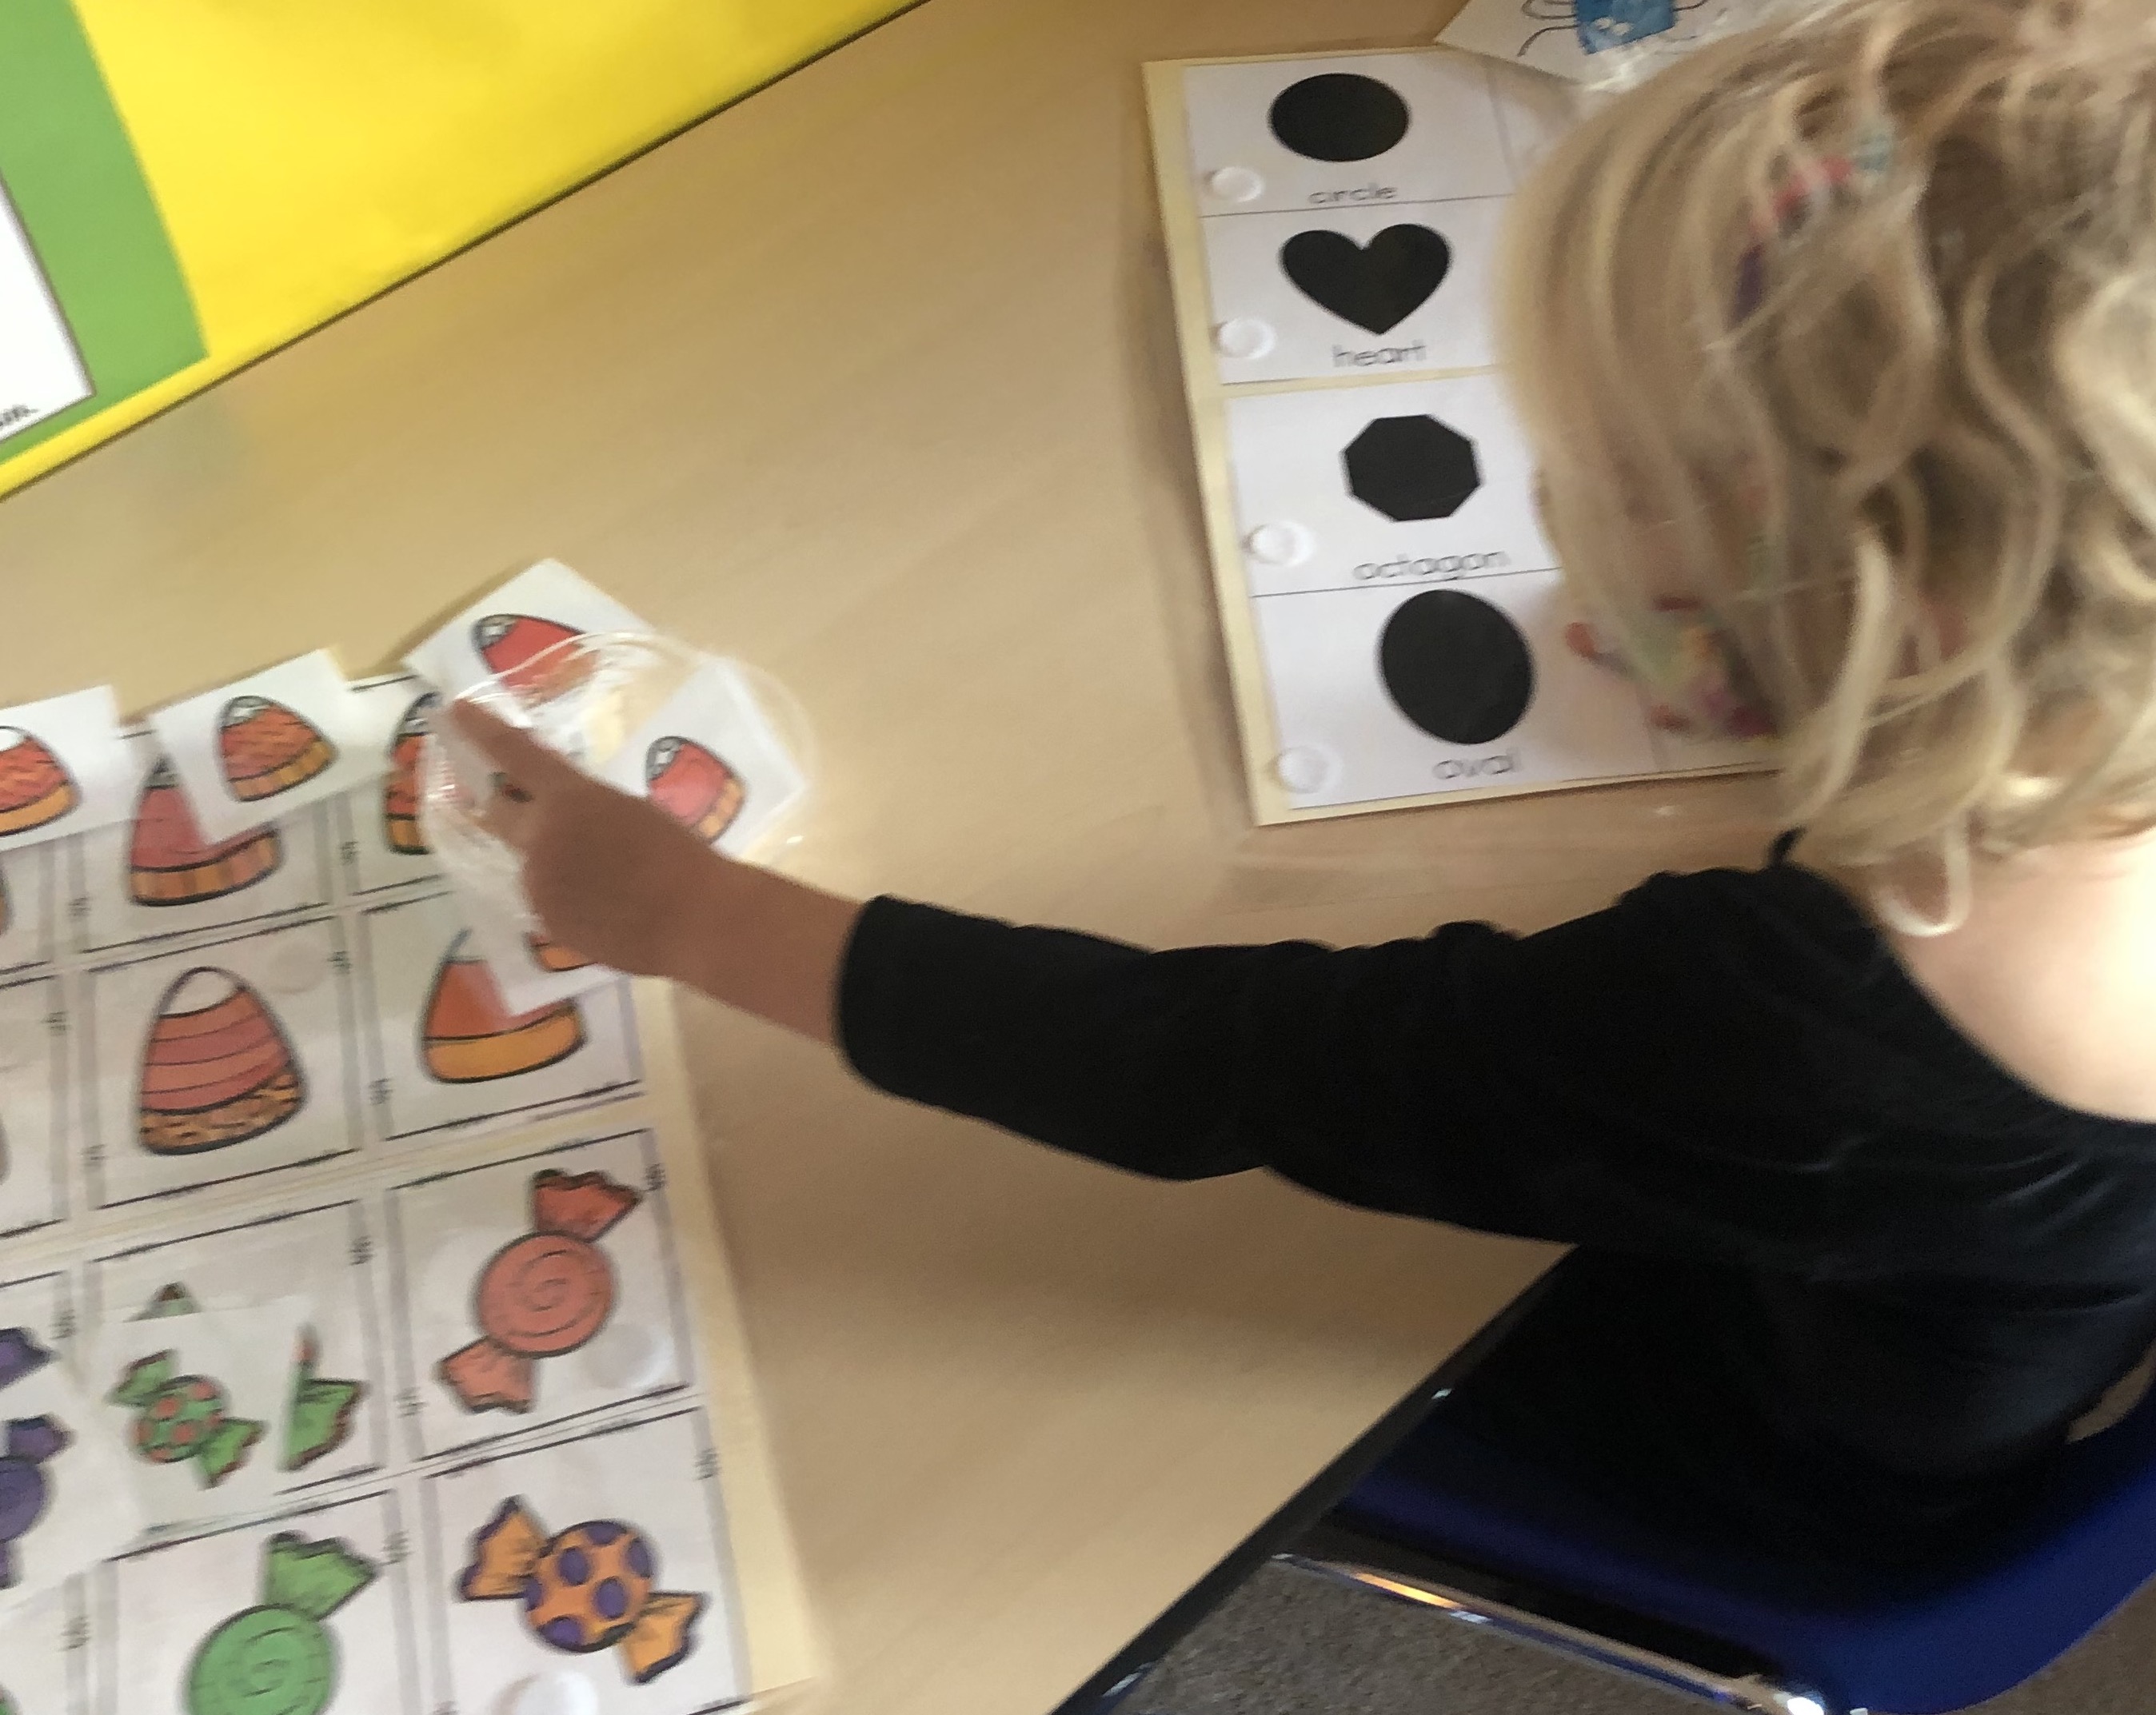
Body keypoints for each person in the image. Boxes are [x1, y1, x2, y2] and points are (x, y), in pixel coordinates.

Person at [456, 0, 2156, 1573]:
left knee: (1073, 1386)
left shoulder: (1794, 1033)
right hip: (1939, 1299)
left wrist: (689, 911)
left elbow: (1200, 1064)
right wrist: (1735, 614)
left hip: (1759, 1455)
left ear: (1892, 620)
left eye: (1618, 484)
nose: (1555, 526)